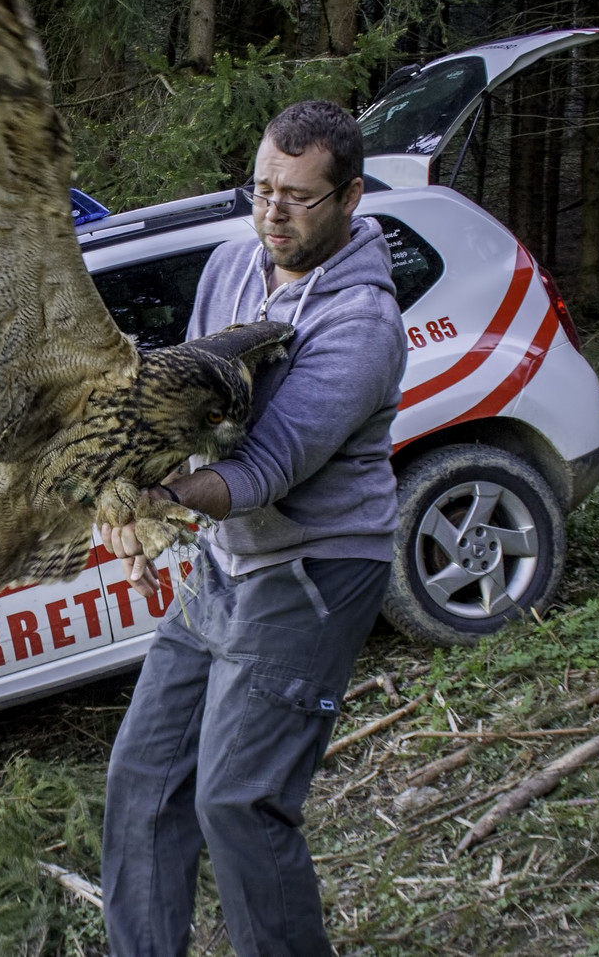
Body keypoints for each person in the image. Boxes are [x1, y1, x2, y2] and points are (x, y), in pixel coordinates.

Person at [97, 99, 407, 957]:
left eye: (299, 197)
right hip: (225, 564)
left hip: (314, 569)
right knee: (144, 778)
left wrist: (164, 497)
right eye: (262, 187)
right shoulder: (232, 264)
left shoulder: (362, 324)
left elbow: (265, 467)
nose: (273, 211)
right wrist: (137, 504)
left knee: (238, 798)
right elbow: (191, 416)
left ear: (349, 199)